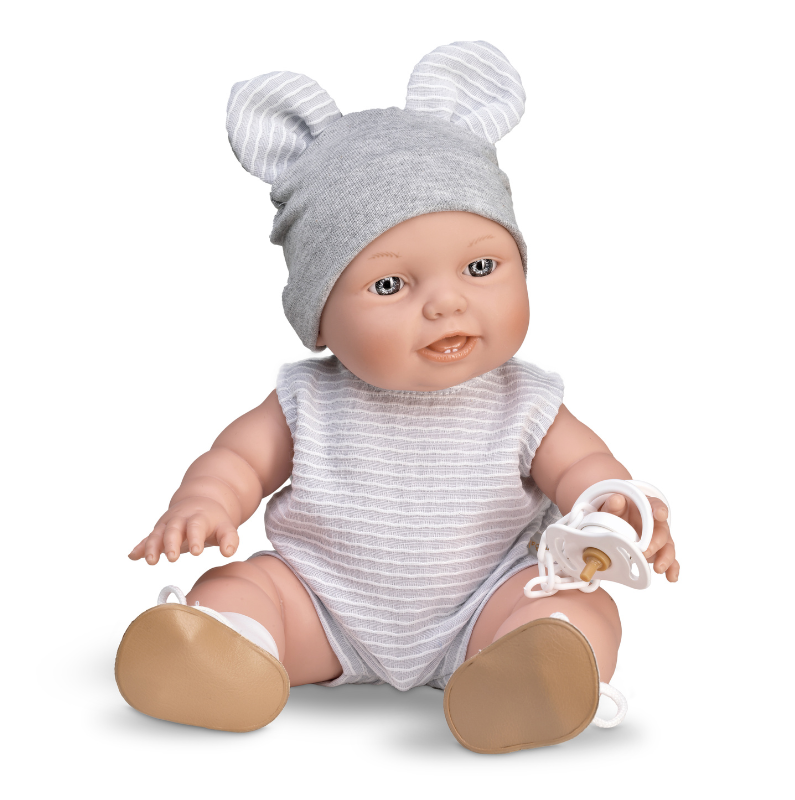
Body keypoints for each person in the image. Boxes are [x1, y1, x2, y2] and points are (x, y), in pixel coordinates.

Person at [116, 41, 678, 754]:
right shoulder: (306, 399)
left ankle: (537, 668)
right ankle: (230, 649)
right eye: (390, 284)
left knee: (577, 605)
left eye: (480, 267)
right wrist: (203, 504)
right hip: (320, 605)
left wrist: (614, 505)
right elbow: (237, 461)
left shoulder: (526, 402)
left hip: (486, 604)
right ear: (320, 315)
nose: (447, 303)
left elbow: (582, 467)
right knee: (239, 583)